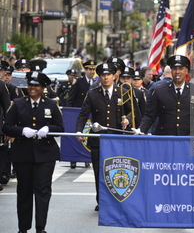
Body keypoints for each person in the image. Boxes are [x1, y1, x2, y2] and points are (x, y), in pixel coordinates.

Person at [2, 71, 64, 233]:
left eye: (36, 85)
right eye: (30, 85)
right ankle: (23, 228)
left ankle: (40, 227)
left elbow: (60, 128)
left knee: (43, 191)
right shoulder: (17, 103)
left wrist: (48, 129)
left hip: (45, 154)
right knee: (24, 191)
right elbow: (6, 127)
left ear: (43, 87)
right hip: (23, 153)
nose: (32, 88)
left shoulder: (51, 104)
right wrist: (22, 130)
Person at [75, 62, 131, 211]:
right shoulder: (93, 94)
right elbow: (83, 114)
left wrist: (128, 120)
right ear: (99, 77)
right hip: (98, 140)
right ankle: (101, 201)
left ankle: (117, 200)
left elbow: (132, 112)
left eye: (108, 75)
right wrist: (79, 131)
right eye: (103, 75)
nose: (106, 78)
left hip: (117, 139)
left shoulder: (123, 92)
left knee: (117, 171)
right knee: (99, 171)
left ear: (114, 76)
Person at [138, 55, 194, 136]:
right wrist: (140, 131)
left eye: (181, 69)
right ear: (171, 71)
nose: (177, 72)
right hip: (165, 139)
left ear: (186, 71)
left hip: (189, 139)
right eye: (174, 69)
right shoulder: (160, 90)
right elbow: (150, 116)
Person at [66, 60, 96, 168]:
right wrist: (69, 112)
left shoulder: (96, 83)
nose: (91, 71)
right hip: (78, 113)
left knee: (88, 135)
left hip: (91, 113)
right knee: (77, 134)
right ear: (85, 70)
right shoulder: (78, 82)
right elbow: (71, 98)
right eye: (89, 69)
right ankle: (73, 159)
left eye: (93, 69)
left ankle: (86, 158)